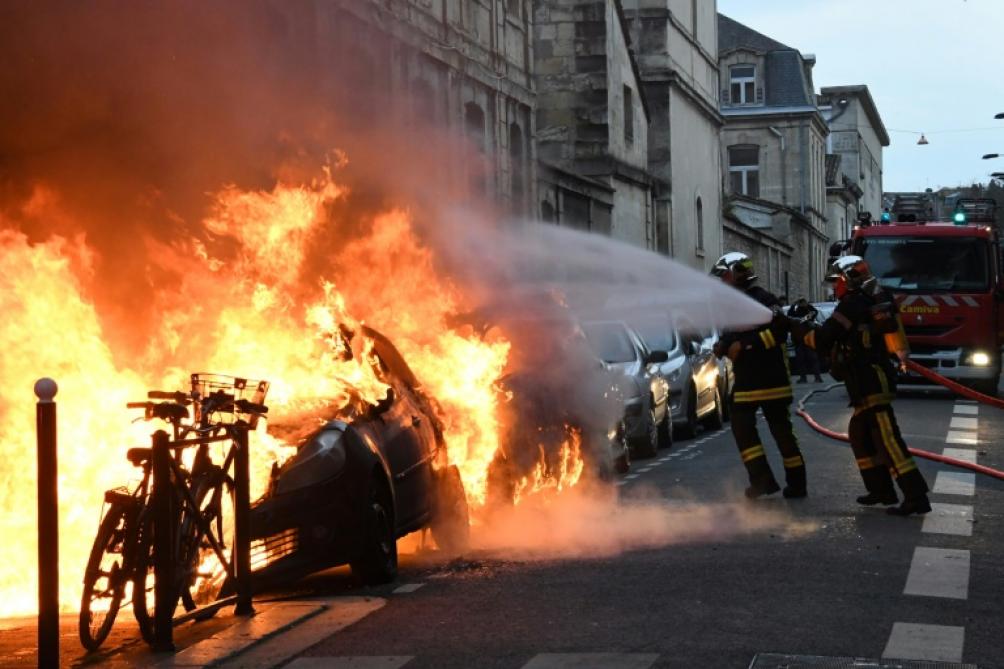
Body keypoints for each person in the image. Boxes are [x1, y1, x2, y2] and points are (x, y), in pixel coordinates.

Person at [791, 255, 931, 516]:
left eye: (837, 282)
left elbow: (823, 338)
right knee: (860, 434)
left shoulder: (852, 304)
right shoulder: (876, 296)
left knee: (887, 439)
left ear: (849, 280)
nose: (835, 288)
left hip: (870, 381)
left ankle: (916, 496)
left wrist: (798, 327)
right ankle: (881, 490)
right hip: (869, 378)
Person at [711, 252, 807, 499]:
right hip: (746, 380)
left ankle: (793, 484)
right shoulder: (733, 304)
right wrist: (723, 345)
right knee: (744, 429)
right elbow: (732, 334)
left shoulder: (763, 299)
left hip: (770, 379)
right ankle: (764, 480)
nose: (721, 282)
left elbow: (779, 330)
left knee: (780, 432)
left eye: (724, 276)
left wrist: (746, 346)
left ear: (736, 273)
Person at [788, 298, 824, 383]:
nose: (801, 304)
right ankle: (803, 378)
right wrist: (793, 305)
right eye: (800, 302)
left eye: (802, 302)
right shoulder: (796, 311)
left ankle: (817, 377)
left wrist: (807, 305)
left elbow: (814, 312)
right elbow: (790, 316)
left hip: (808, 339)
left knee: (813, 358)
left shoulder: (809, 310)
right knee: (801, 360)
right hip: (799, 340)